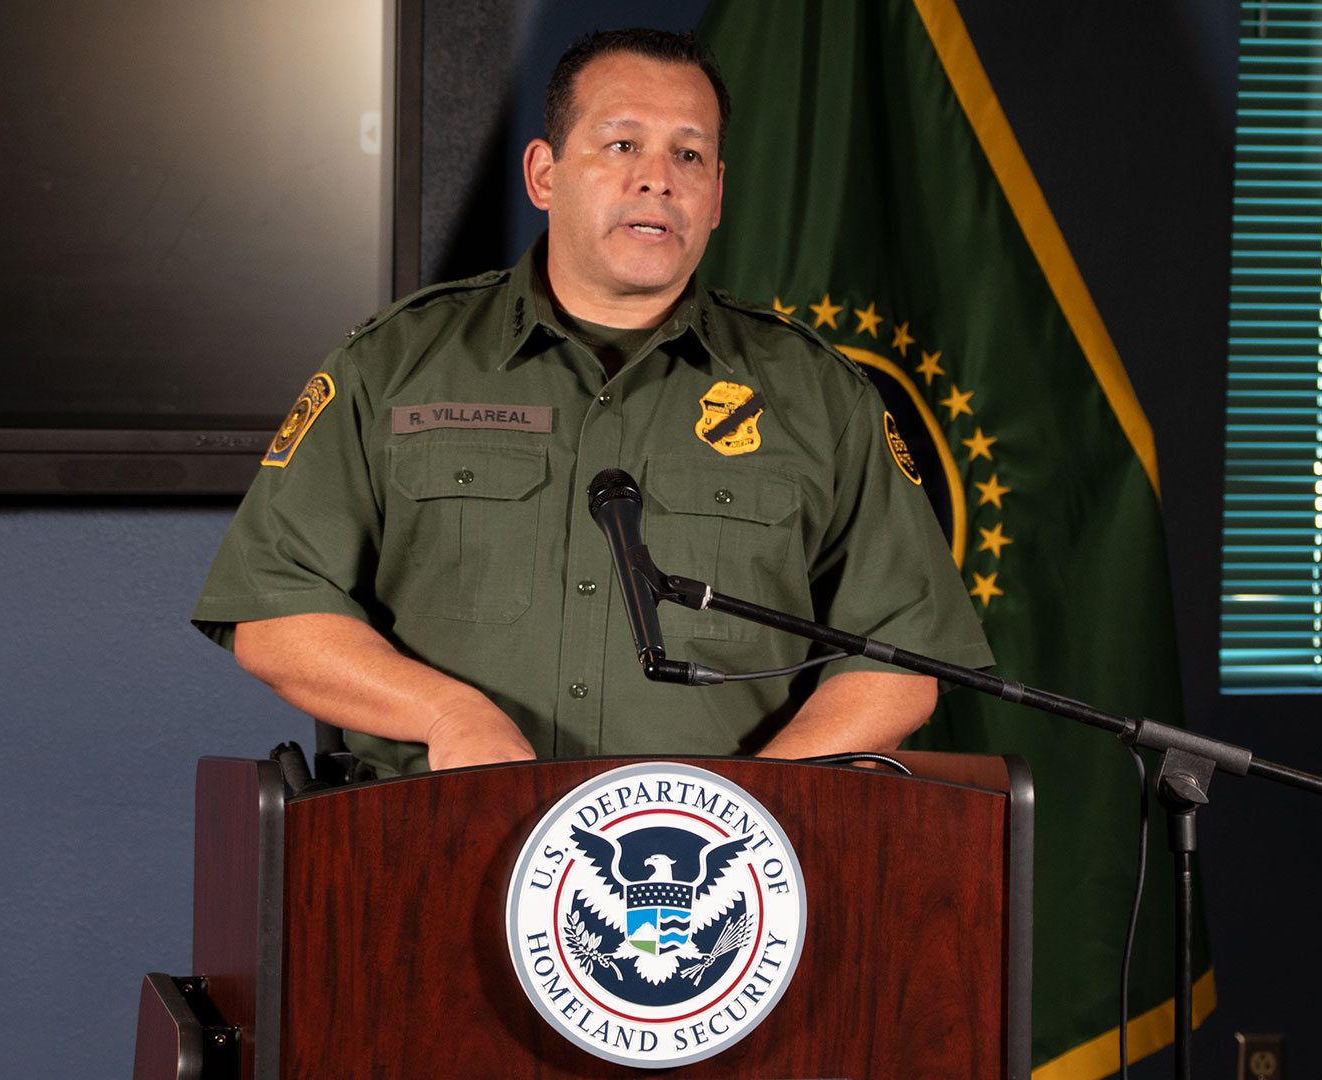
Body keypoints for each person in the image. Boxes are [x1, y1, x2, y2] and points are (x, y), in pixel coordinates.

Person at [192, 28, 991, 777]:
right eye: (622, 145)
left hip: (712, 883)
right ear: (544, 173)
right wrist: (447, 715)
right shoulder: (395, 367)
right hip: (433, 850)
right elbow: (276, 613)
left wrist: (751, 811)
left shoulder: (819, 398)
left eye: (690, 154)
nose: (657, 177)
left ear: (716, 195)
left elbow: (901, 660)